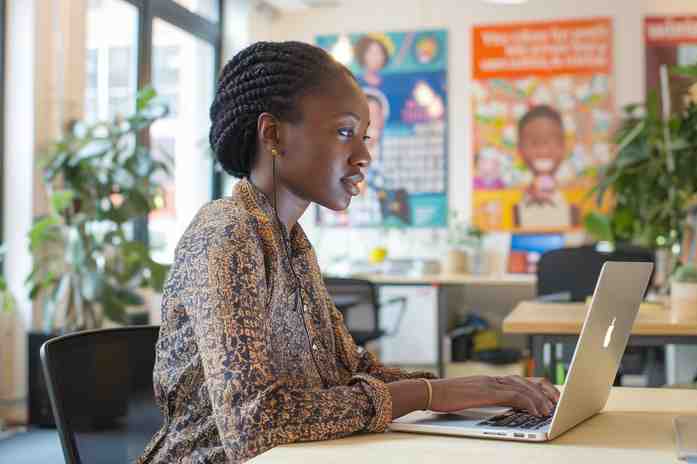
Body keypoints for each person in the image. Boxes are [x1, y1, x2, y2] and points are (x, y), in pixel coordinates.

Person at [138, 41, 559, 464]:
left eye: (364, 137)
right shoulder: (226, 234)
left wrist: (478, 390)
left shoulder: (293, 244)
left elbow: (349, 370)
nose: (363, 156)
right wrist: (433, 393)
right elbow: (253, 423)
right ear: (274, 134)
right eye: (344, 132)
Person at [512, 104, 579, 229]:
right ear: (519, 148)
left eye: (551, 141)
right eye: (534, 142)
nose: (543, 150)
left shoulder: (575, 203)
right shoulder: (513, 203)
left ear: (564, 146)